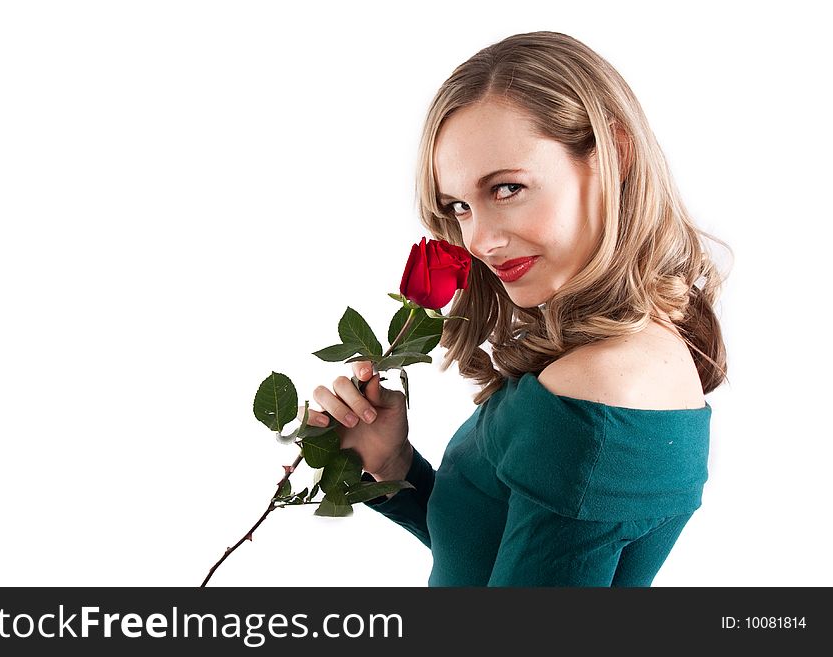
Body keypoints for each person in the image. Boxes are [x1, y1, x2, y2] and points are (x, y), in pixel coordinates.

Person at [302, 31, 728, 586]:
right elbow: (488, 554)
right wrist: (394, 469)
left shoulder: (600, 389)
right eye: (459, 206)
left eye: (506, 189)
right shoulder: (614, 363)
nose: (479, 240)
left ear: (615, 155)